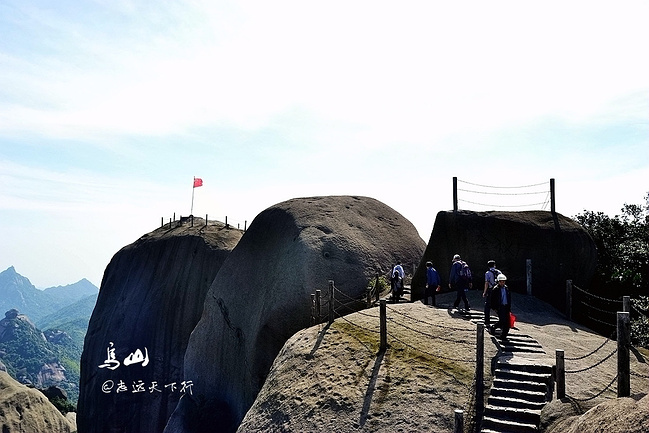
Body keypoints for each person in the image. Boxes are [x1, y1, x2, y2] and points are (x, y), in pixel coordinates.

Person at [490, 273, 512, 340]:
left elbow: (509, 298)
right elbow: (492, 299)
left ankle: (504, 336)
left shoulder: (506, 288)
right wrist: (494, 307)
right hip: (500, 307)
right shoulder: (495, 289)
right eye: (501, 281)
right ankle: (494, 327)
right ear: (498, 282)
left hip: (506, 306)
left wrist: (509, 307)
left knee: (507, 322)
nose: (502, 283)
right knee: (502, 320)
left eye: (503, 281)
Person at [482, 260, 501, 327]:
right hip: (498, 290)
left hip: (491, 290)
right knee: (498, 305)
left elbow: (486, 283)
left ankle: (487, 321)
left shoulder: (487, 273)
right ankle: (502, 319)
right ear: (494, 265)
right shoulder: (499, 272)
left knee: (487, 306)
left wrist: (484, 292)